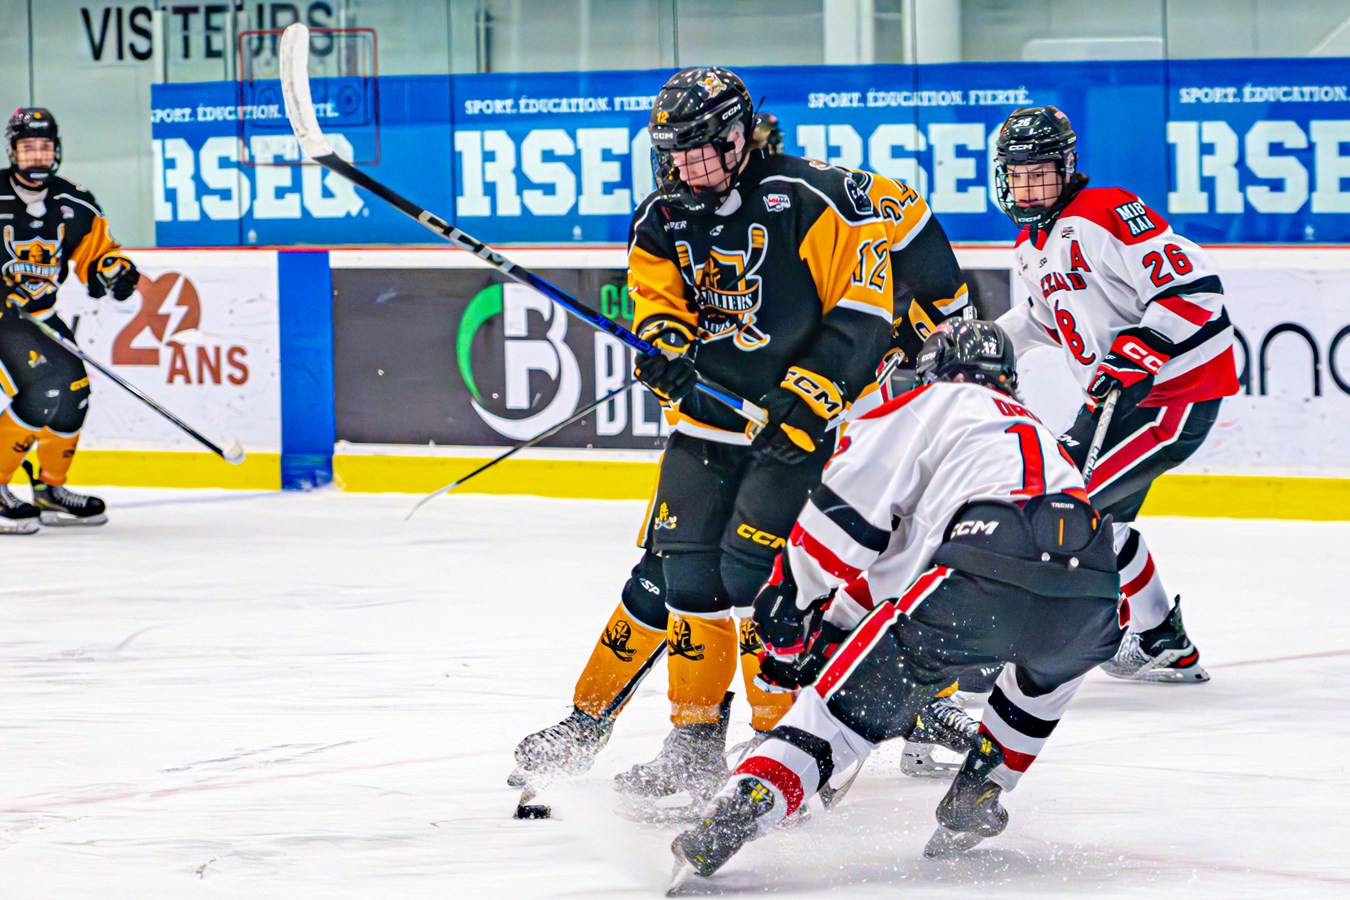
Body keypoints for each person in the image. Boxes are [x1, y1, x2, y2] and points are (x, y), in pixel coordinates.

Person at [509, 89, 971, 803]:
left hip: (805, 436)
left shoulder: (815, 197)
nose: (690, 169)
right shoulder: (662, 217)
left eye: (704, 150)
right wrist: (664, 351)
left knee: (768, 586)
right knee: (682, 579)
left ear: (741, 138)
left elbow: (864, 309)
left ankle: (781, 740)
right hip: (708, 432)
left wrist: (813, 398)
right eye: (677, 155)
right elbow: (660, 304)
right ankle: (690, 744)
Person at [666, 320, 1123, 886]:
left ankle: (745, 803)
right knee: (1047, 672)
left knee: (839, 715)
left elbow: (848, 514)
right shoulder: (1038, 433)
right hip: (1096, 586)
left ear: (935, 372)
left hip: (982, 572)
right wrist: (836, 626)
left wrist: (792, 603)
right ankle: (980, 790)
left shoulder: (929, 405)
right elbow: (915, 560)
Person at [992, 106, 1238, 684]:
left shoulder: (1106, 210)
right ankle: (1162, 643)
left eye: (1042, 173)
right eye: (1018, 174)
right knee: (1105, 520)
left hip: (1171, 396)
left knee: (1064, 505)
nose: (1029, 187)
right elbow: (1043, 320)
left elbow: (1194, 291)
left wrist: (1138, 351)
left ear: (1068, 167)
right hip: (1118, 400)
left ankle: (1005, 640)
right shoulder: (1031, 247)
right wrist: (975, 342)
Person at [0, 108, 140, 534]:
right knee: (44, 389)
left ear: (56, 150)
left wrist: (115, 270)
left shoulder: (74, 201)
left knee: (74, 392)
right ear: (13, 152)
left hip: (40, 316)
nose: (37, 156)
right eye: (28, 148)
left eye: (44, 147)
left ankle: (49, 489)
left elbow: (97, 253)